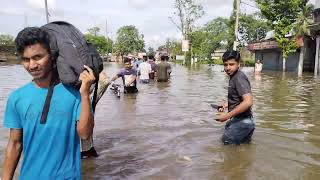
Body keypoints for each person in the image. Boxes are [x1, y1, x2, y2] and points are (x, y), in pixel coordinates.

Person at [1, 27, 95, 179]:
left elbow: (85, 135)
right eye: (26, 59)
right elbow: (15, 144)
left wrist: (85, 94)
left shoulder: (74, 93)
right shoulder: (16, 98)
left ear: (51, 55)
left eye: (38, 57)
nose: (32, 65)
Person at [215, 50, 255, 145]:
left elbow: (248, 102)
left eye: (231, 64)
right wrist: (226, 104)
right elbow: (240, 98)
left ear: (239, 64)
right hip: (244, 121)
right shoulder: (234, 77)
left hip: (241, 122)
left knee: (227, 147)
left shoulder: (239, 78)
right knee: (241, 151)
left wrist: (227, 116)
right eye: (225, 65)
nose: (228, 68)